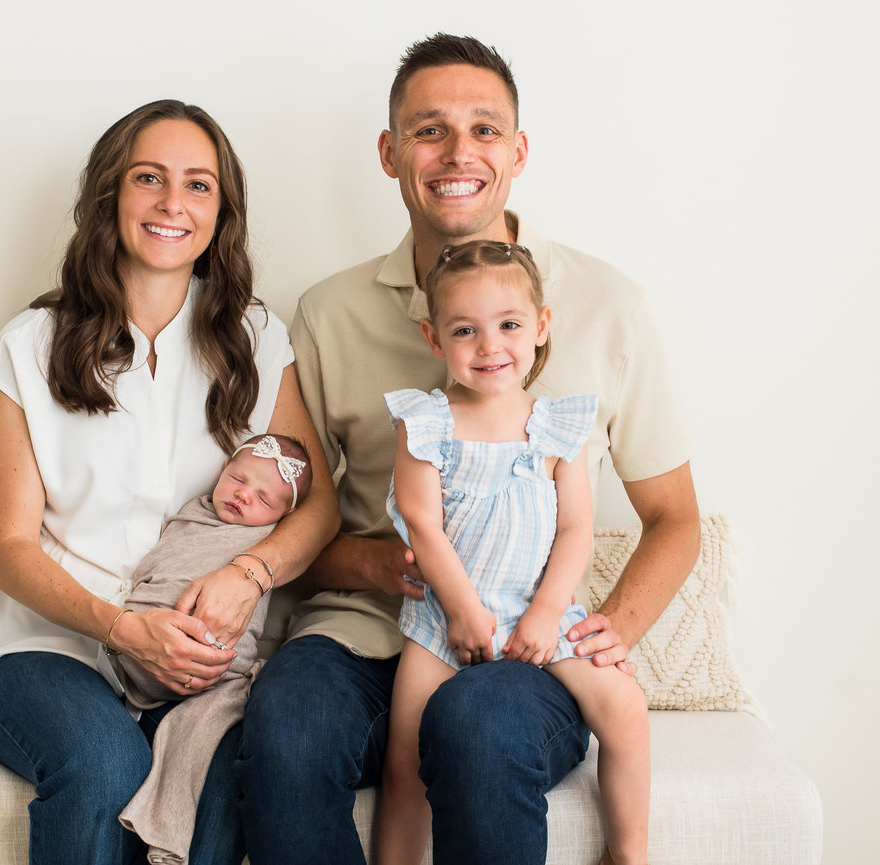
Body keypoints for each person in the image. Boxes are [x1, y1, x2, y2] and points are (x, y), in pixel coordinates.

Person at [235, 33, 699, 865]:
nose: (459, 153)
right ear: (389, 152)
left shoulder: (608, 305)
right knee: (287, 723)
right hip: (364, 628)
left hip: (523, 636)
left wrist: (601, 630)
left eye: (485, 130)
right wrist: (376, 567)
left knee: (478, 725)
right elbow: (294, 529)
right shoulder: (327, 313)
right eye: (428, 130)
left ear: (518, 152)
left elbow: (674, 517)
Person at [0, 99, 339, 865]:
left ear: (221, 213)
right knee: (105, 763)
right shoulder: (29, 347)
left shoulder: (258, 340)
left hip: (198, 655)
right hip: (41, 647)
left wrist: (246, 572)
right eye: (149, 179)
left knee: (229, 774)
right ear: (109, 198)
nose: (172, 203)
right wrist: (126, 630)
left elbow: (317, 504)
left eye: (198, 185)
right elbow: (9, 548)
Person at [374, 241, 650, 865]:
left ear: (541, 327)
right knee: (405, 757)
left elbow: (576, 528)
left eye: (509, 325)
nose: (489, 346)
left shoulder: (558, 425)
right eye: (465, 330)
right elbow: (422, 522)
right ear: (434, 338)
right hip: (447, 619)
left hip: (538, 610)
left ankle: (628, 854)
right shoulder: (425, 421)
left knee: (627, 709)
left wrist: (548, 615)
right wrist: (465, 613)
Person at [114, 433, 313, 863]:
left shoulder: (267, 543)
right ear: (223, 469)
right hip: (136, 647)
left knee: (217, 755)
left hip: (213, 673)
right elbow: (160, 565)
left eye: (263, 497)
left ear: (285, 514)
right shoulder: (190, 515)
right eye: (239, 479)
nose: (243, 495)